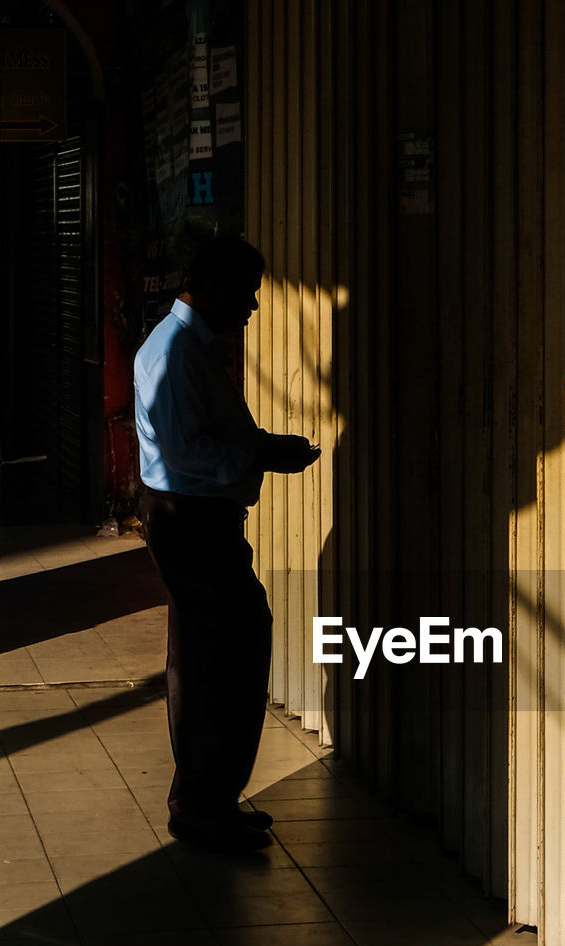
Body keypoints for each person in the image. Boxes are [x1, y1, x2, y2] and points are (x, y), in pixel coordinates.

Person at [134, 235, 320, 847]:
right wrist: (264, 453)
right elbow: (189, 451)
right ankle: (203, 802)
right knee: (223, 653)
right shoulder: (177, 353)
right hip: (191, 520)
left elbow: (211, 430)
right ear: (211, 288)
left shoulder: (190, 347)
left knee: (212, 654)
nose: (253, 307)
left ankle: (207, 797)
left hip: (196, 518)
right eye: (246, 294)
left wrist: (261, 445)